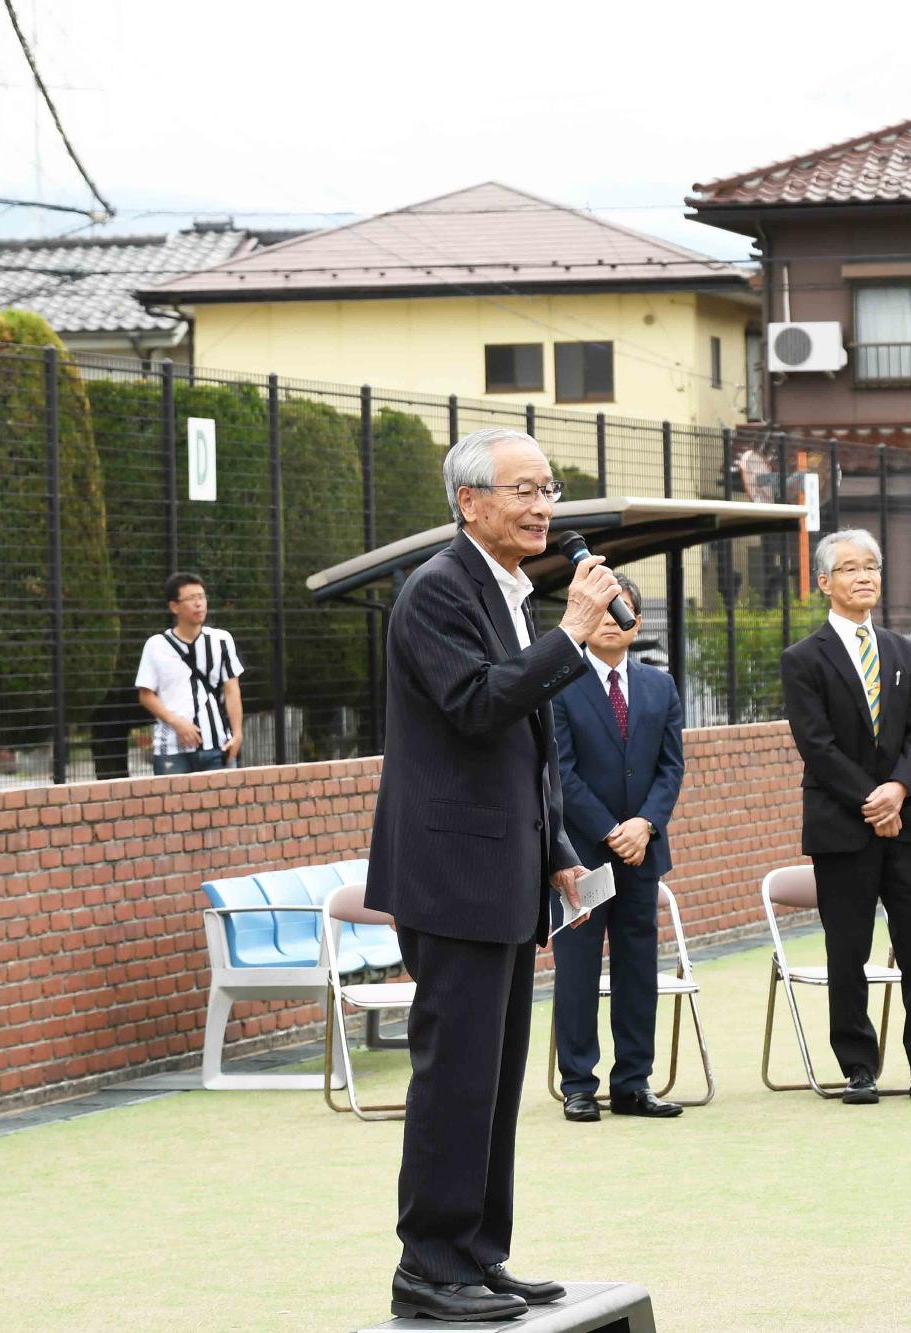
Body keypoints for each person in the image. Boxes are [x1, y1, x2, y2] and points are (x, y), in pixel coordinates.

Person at [366, 426, 626, 1323]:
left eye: (547, 488)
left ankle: (478, 1253)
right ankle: (427, 1265)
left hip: (508, 869)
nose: (542, 505)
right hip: (452, 873)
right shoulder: (436, 592)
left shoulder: (509, 591)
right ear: (470, 502)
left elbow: (529, 744)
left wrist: (556, 848)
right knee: (456, 1073)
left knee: (498, 1072)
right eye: (522, 489)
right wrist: (573, 635)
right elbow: (479, 705)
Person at [778, 529, 911, 1106]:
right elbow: (816, 745)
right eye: (849, 569)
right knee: (849, 948)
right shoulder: (803, 659)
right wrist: (873, 801)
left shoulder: (901, 651)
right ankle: (858, 1066)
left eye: (871, 567)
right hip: (843, 825)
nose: (863, 577)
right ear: (824, 583)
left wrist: (898, 791)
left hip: (905, 821)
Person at [549, 575, 687, 1124]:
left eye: (620, 609)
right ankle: (578, 1084)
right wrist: (611, 830)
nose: (610, 618)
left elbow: (670, 768)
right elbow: (560, 773)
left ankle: (634, 1083)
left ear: (637, 620)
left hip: (642, 855)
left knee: (638, 968)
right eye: (601, 609)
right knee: (577, 969)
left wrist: (645, 825)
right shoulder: (559, 684)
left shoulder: (661, 687)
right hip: (581, 856)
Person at [135, 572, 243, 775]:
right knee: (175, 806)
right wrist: (176, 722)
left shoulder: (222, 640)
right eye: (191, 599)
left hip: (218, 745)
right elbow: (146, 695)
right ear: (174, 606)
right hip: (172, 750)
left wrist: (237, 734)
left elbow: (232, 690)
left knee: (222, 806)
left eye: (201, 597)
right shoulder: (156, 645)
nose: (199, 604)